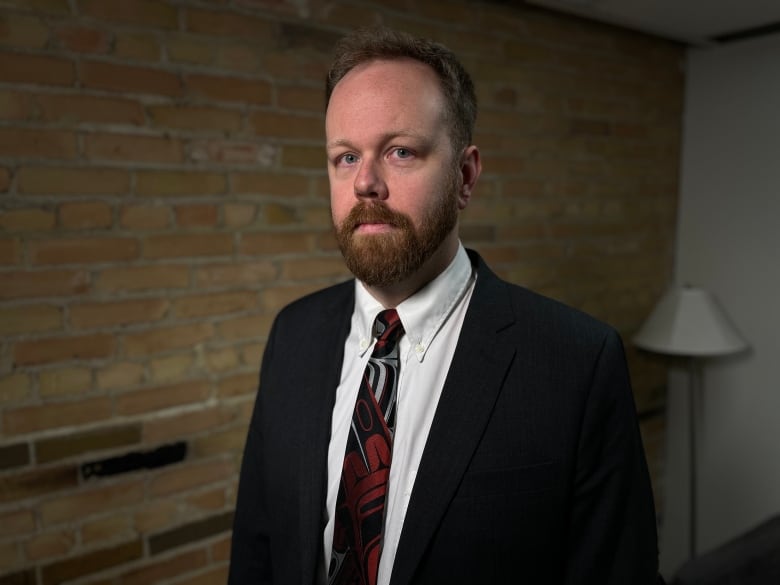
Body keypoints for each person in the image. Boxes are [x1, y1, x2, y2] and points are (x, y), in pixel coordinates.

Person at [229, 26, 660, 585]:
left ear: (465, 175)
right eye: (344, 157)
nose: (365, 183)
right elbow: (258, 550)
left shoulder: (576, 361)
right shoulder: (293, 333)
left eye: (400, 151)